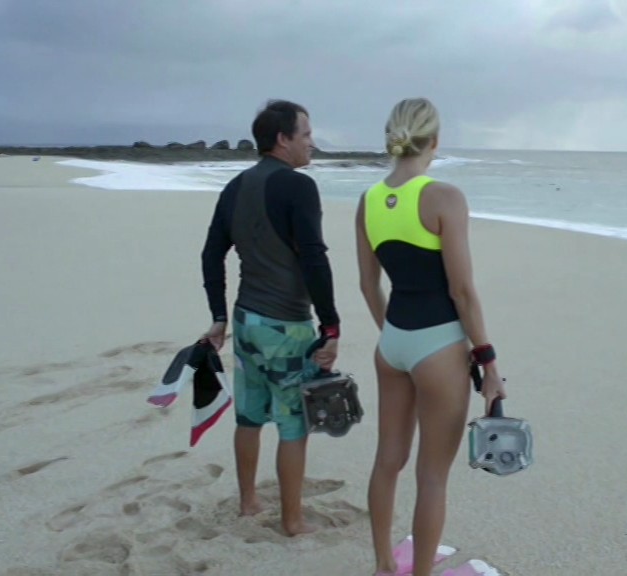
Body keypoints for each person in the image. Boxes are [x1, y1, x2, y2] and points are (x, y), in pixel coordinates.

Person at [355, 98, 507, 576]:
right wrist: (488, 363)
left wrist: (394, 336)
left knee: (387, 461)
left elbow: (368, 285)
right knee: (432, 476)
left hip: (392, 343)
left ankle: (383, 566)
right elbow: (462, 291)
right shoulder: (445, 197)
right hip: (439, 346)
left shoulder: (368, 200)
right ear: (435, 141)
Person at [200, 99, 341, 536]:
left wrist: (219, 316)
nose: (312, 143)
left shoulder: (236, 186)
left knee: (249, 416)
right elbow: (314, 257)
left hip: (246, 322)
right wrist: (330, 326)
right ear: (282, 139)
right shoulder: (298, 187)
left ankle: (248, 502)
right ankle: (293, 521)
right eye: (306, 134)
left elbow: (211, 254)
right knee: (293, 423)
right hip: (286, 326)